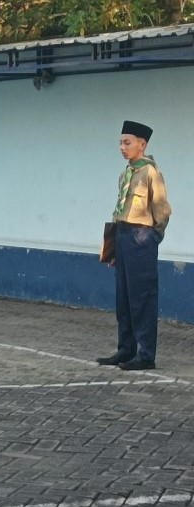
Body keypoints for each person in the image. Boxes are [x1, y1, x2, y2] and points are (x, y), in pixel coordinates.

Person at [96, 120, 171, 371]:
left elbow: (162, 211)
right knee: (124, 297)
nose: (122, 147)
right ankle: (126, 349)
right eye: (120, 142)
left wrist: (151, 238)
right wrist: (114, 248)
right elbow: (120, 209)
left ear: (142, 144)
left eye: (127, 142)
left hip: (141, 237)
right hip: (122, 236)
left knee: (142, 297)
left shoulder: (151, 173)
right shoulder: (126, 173)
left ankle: (146, 355)